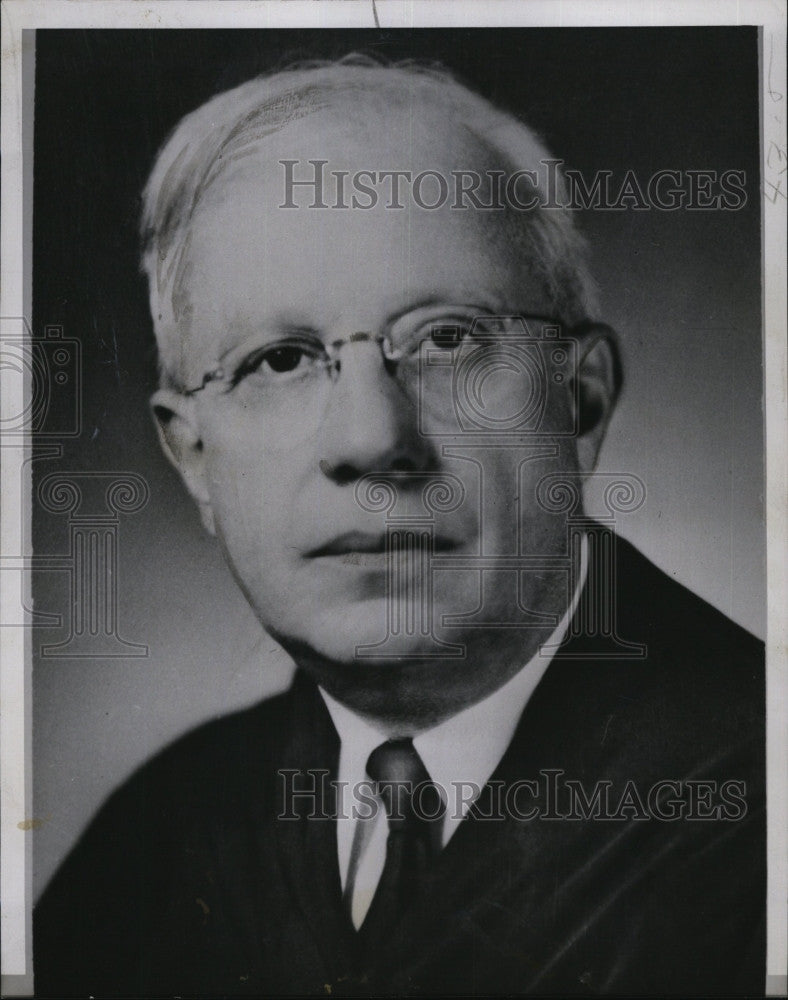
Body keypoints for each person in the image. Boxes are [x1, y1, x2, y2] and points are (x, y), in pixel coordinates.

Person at [34, 56, 764, 996]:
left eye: (447, 338)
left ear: (578, 404)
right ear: (194, 459)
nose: (372, 440)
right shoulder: (156, 838)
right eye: (281, 360)